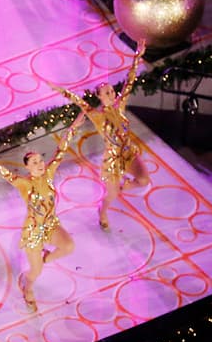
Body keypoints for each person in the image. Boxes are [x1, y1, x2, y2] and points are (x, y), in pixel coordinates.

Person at [0, 115, 84, 312]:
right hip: (34, 232)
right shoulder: (24, 183)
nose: (40, 164)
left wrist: (72, 127)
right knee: (36, 271)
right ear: (28, 168)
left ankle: (45, 257)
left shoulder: (49, 172)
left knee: (69, 246)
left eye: (40, 160)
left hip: (51, 224)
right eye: (35, 162)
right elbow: (3, 172)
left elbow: (61, 149)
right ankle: (27, 288)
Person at [49, 46, 150, 231]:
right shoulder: (97, 116)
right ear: (100, 97)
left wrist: (138, 55)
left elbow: (129, 81)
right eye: (107, 93)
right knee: (111, 195)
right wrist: (59, 89)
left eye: (112, 91)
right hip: (112, 160)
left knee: (143, 180)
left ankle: (126, 185)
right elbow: (78, 101)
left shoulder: (120, 106)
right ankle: (102, 212)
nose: (112, 94)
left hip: (128, 154)